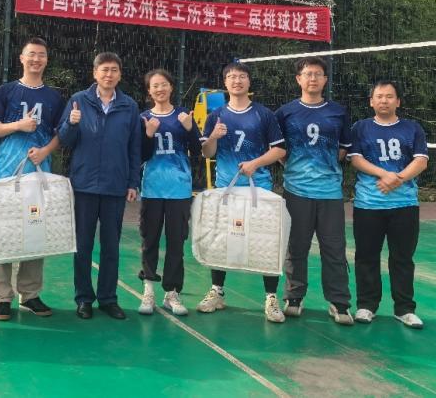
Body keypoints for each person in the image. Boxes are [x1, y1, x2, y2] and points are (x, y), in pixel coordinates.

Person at [0, 37, 65, 321]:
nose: (36, 59)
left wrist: (45, 151)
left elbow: (61, 134)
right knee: (2, 232)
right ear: (21, 58)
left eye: (41, 55)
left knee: (35, 231)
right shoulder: (6, 91)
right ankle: (2, 296)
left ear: (46, 60)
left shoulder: (54, 97)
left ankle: (29, 295)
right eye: (31, 54)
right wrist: (19, 125)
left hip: (37, 178)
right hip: (6, 174)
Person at [197, 62, 287, 322]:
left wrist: (255, 163)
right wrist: (213, 137)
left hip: (259, 187)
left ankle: (271, 297)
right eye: (232, 77)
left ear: (249, 82)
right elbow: (207, 153)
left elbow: (279, 150)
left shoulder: (263, 114)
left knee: (266, 240)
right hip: (226, 188)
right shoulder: (216, 115)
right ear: (225, 83)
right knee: (220, 239)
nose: (237, 81)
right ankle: (217, 291)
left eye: (242, 77)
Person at [58, 52, 141, 320]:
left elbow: (135, 148)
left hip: (115, 186)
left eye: (114, 70)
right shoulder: (78, 100)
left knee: (111, 247)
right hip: (84, 185)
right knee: (82, 246)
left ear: (120, 74)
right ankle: (83, 298)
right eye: (104, 69)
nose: (109, 74)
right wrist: (71, 124)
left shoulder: (129, 106)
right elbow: (65, 140)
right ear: (95, 73)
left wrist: (133, 182)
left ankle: (108, 298)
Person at [275, 56, 355, 325]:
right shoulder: (285, 112)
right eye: (307, 74)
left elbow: (343, 150)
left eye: (317, 74)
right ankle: (294, 297)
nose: (312, 78)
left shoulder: (338, 112)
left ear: (325, 80)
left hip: (329, 192)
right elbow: (278, 149)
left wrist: (324, 168)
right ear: (299, 79)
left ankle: (339, 302)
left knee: (334, 248)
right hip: (296, 190)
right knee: (296, 246)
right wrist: (297, 167)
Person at [348, 80, 429, 329]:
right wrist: (384, 174)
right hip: (368, 205)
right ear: (371, 101)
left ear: (398, 101)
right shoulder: (360, 128)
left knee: (402, 258)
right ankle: (366, 305)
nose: (384, 100)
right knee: (366, 256)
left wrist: (398, 179)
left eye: (389, 96)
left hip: (404, 204)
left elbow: (421, 161)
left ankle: (404, 309)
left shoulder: (412, 128)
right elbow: (355, 159)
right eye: (379, 96)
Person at [136, 69, 201, 317]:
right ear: (149, 91)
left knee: (176, 241)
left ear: (171, 87)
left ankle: (172, 292)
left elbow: (197, 151)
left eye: (163, 84)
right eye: (155, 85)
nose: (160, 89)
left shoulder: (183, 115)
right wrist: (148, 134)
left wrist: (190, 129)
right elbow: (140, 155)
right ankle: (148, 289)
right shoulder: (143, 118)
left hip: (179, 188)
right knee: (149, 239)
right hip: (152, 188)